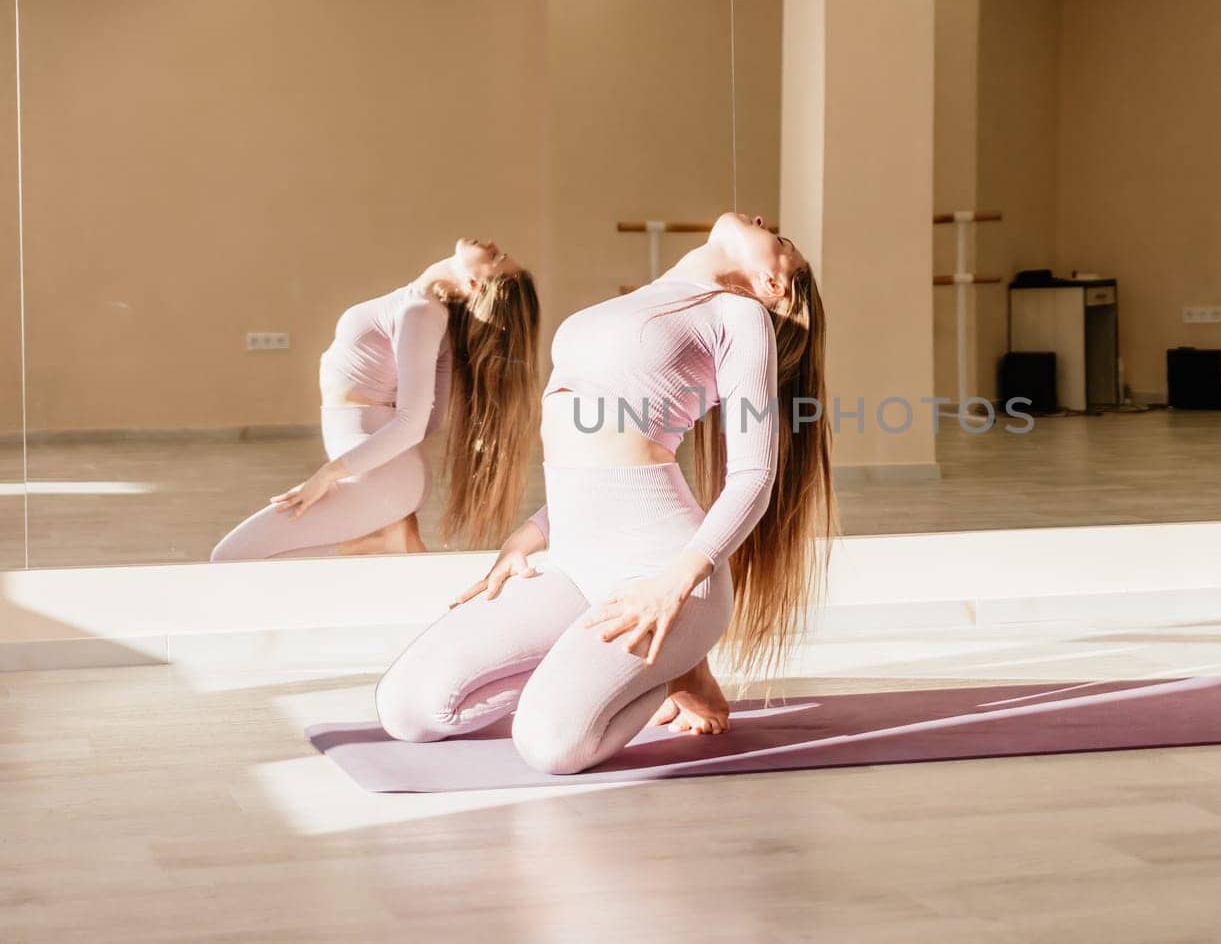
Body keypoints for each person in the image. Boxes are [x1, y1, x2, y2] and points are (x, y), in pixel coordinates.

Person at [373, 212, 835, 774]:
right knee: (410, 709)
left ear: (772, 285)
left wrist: (673, 583)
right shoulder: (642, 300)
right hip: (574, 561)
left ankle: (676, 666)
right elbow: (594, 457)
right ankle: (648, 669)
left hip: (663, 571)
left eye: (780, 241)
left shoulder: (737, 316)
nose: (764, 221)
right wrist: (534, 529)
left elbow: (753, 477)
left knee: (550, 746)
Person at [211, 238, 539, 561]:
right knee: (244, 559)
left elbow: (413, 425)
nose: (492, 243)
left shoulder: (420, 314)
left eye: (495, 256)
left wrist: (327, 475)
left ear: (475, 285)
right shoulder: (425, 310)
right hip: (386, 476)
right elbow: (432, 420)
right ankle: (385, 540)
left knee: (230, 557)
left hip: (382, 479)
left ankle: (378, 542)